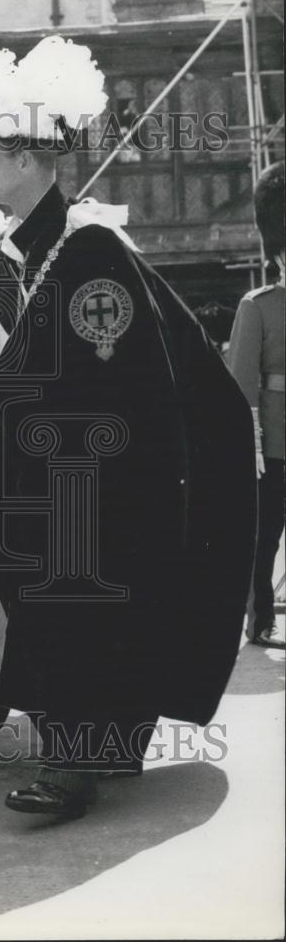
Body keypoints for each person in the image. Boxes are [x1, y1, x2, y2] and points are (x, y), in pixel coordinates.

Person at [0, 37, 256, 818]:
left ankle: (72, 768)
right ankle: (100, 748)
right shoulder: (31, 254)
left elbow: (113, 381)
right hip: (52, 479)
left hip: (94, 488)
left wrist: (8, 401)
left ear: (24, 158)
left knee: (75, 609)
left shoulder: (87, 252)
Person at [227, 160, 285, 649]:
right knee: (266, 538)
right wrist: (253, 445)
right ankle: (260, 618)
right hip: (275, 441)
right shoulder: (258, 305)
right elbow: (243, 382)